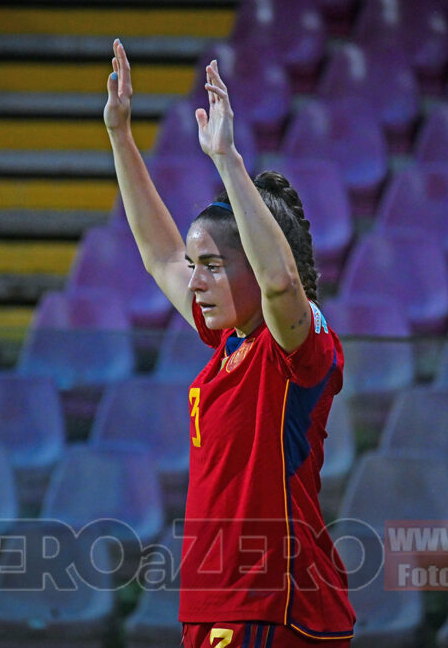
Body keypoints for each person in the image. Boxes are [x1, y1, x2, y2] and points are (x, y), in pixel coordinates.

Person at [104, 38, 355, 647]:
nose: (195, 279)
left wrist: (226, 161)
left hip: (276, 608)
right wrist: (120, 136)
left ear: (251, 269)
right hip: (214, 605)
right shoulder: (227, 347)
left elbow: (280, 279)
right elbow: (158, 253)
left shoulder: (294, 347)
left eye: (212, 264)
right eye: (197, 265)